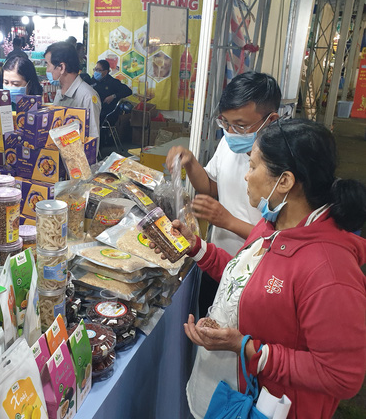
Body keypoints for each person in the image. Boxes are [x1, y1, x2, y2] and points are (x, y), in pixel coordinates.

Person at [166, 119, 366, 419]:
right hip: (228, 392)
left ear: (284, 181)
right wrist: (195, 247)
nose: (246, 177)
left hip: (267, 406)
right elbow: (245, 278)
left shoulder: (330, 270)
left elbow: (342, 375)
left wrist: (247, 349)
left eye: (253, 166)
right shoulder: (275, 222)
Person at [166, 71, 281, 317]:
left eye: (240, 125)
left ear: (271, 120)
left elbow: (282, 240)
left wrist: (227, 220)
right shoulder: (230, 142)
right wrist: (190, 163)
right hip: (216, 260)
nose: (230, 131)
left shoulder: (283, 168)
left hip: (256, 272)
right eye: (225, 122)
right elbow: (211, 186)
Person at [44, 42, 101, 140]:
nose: (47, 70)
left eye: (48, 65)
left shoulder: (87, 96)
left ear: (61, 67)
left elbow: (92, 139)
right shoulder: (60, 93)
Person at [91, 59, 132, 127]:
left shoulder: (112, 82)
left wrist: (113, 96)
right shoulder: (92, 80)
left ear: (106, 72)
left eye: (98, 70)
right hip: (93, 108)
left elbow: (128, 91)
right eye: (95, 69)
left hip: (106, 111)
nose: (96, 72)